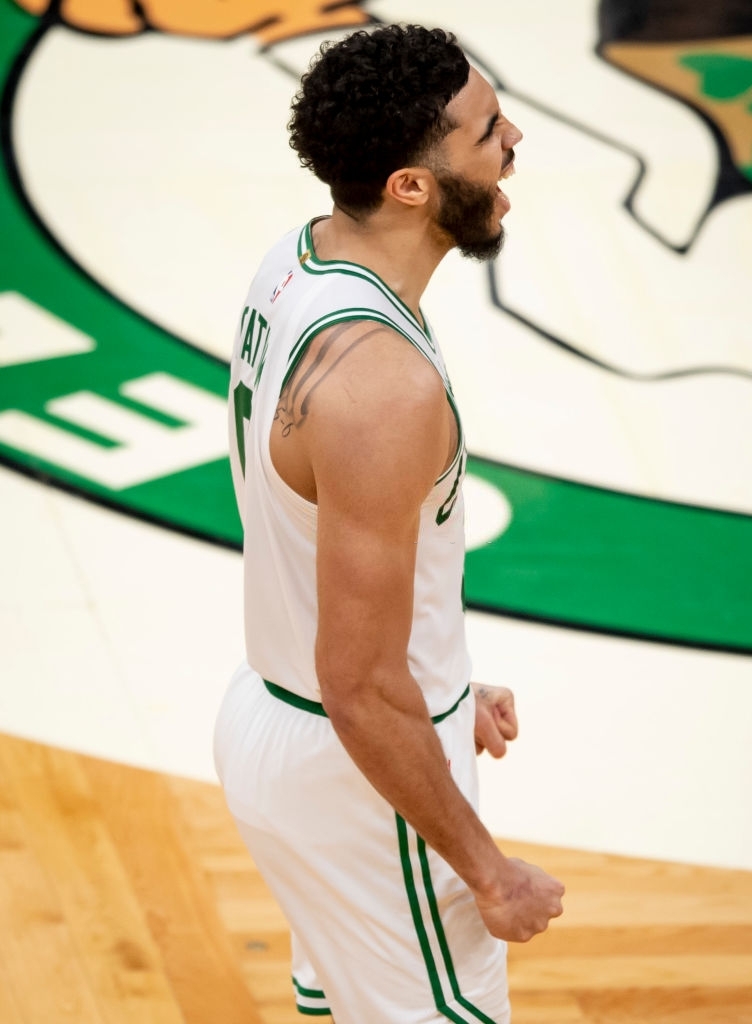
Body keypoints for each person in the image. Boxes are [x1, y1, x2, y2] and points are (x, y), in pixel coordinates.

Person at [214, 23, 565, 1024]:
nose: (514, 140)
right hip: (361, 777)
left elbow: (318, 545)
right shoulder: (382, 386)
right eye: (488, 130)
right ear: (411, 185)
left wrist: (448, 686)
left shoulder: (299, 260)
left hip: (285, 723)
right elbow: (361, 684)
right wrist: (487, 871)